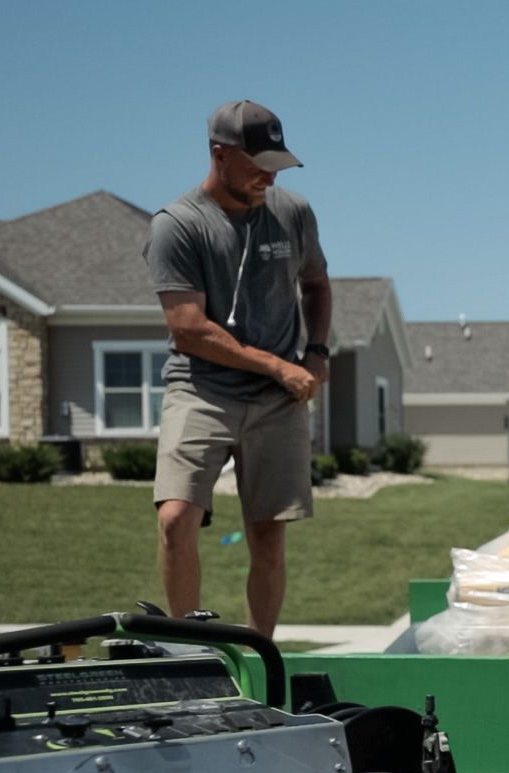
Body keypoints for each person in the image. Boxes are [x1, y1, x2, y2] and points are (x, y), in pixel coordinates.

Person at [143, 100, 330, 638]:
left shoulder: (293, 212)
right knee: (175, 518)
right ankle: (189, 651)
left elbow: (316, 284)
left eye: (277, 165)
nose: (269, 177)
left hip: (277, 401)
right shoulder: (178, 225)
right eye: (258, 165)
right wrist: (278, 366)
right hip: (201, 390)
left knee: (268, 536)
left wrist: (317, 352)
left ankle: (259, 656)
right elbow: (188, 328)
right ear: (220, 154)